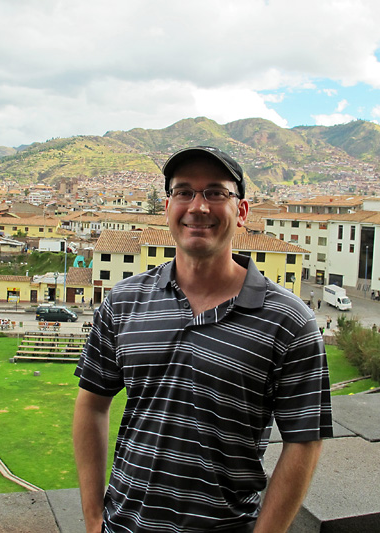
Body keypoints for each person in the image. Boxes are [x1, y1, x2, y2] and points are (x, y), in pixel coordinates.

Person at [73, 146, 332, 533]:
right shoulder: (123, 302)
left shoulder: (289, 321)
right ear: (167, 208)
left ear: (241, 212)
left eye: (215, 192)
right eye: (184, 192)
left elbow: (304, 440)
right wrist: (94, 518)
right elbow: (91, 405)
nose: (198, 207)